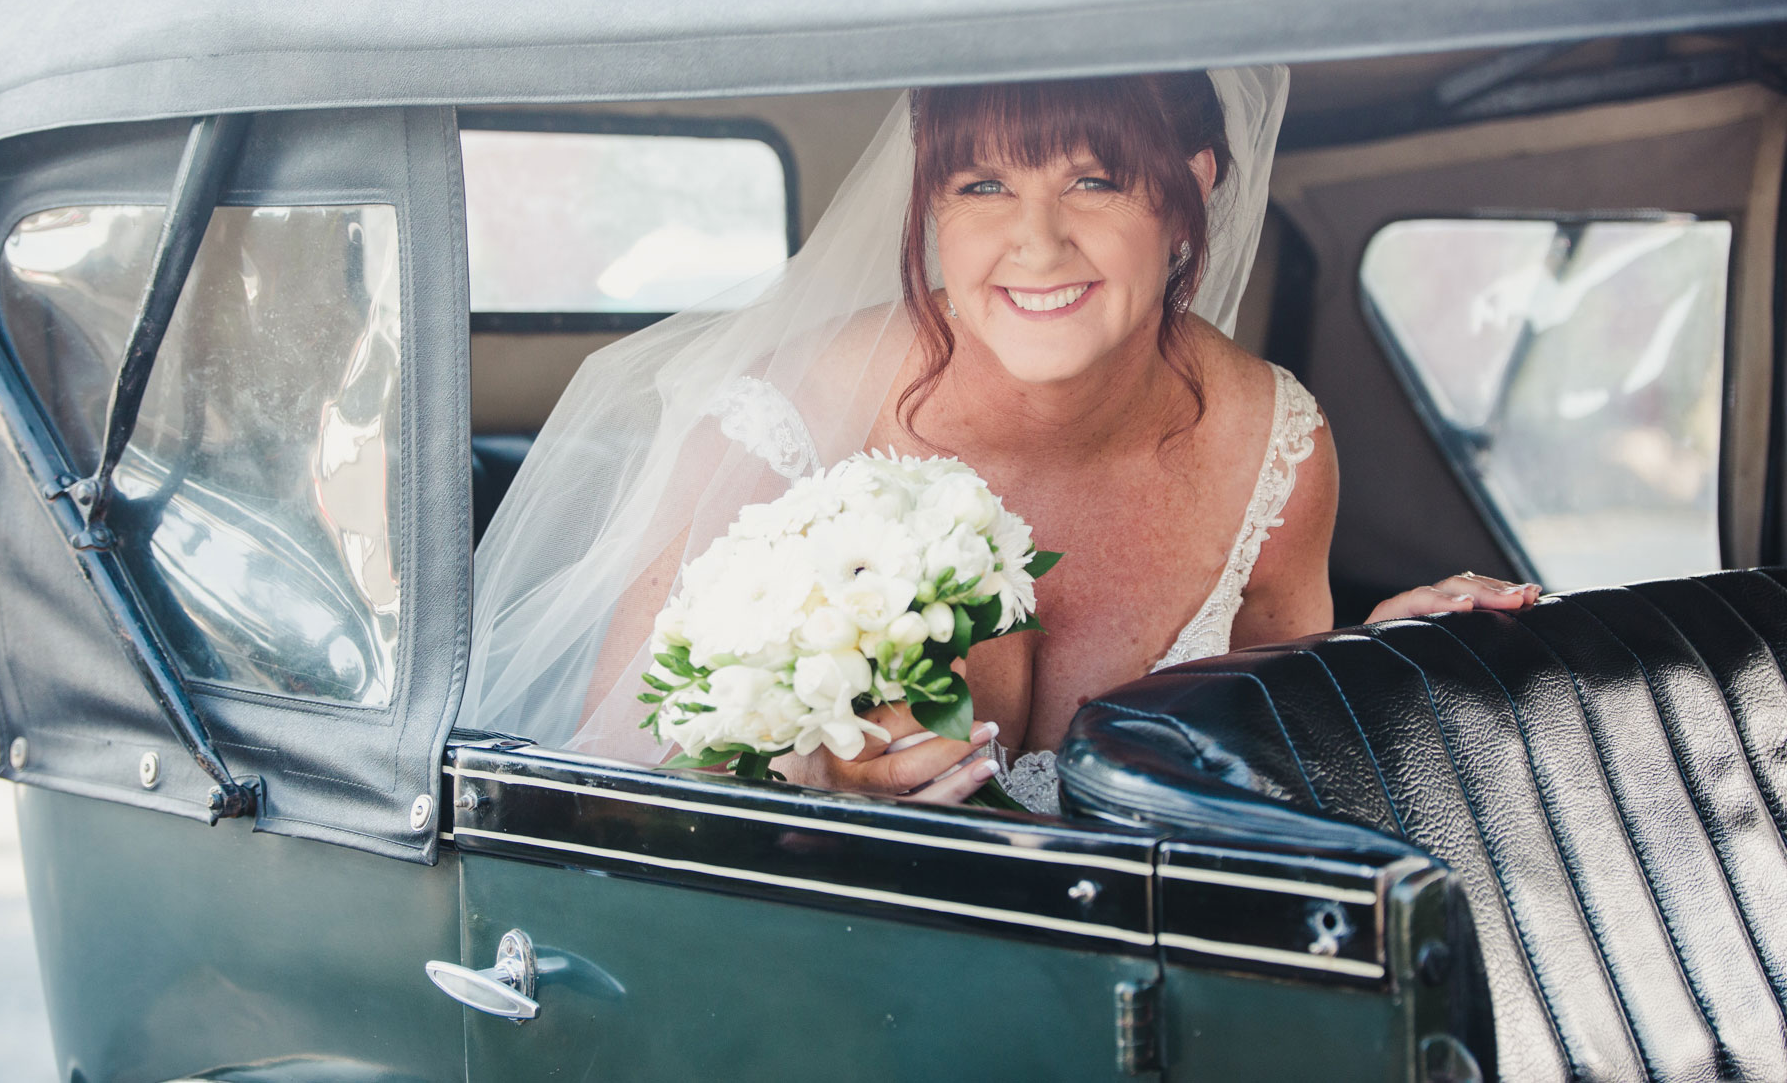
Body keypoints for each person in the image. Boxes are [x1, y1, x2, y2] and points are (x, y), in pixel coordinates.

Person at [460, 67, 1536, 810]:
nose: (1035, 242)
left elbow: (1265, 773)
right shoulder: (784, 419)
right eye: (983, 185)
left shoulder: (1275, 447)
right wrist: (805, 779)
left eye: (1093, 180)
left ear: (1188, 190)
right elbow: (613, 781)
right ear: (931, 196)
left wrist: (1375, 664)